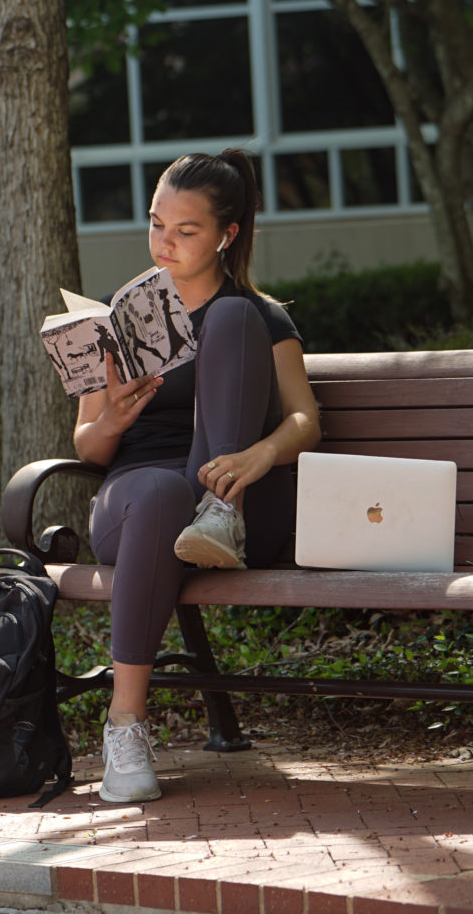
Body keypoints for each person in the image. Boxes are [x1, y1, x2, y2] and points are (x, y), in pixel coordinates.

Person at [73, 148, 321, 803]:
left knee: (234, 317)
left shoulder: (258, 316)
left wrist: (259, 456)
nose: (165, 244)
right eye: (157, 225)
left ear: (226, 235)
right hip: (140, 499)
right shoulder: (114, 316)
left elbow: (305, 420)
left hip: (234, 501)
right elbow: (88, 446)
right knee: (159, 491)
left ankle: (218, 516)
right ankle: (125, 727)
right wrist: (116, 420)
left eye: (186, 232)